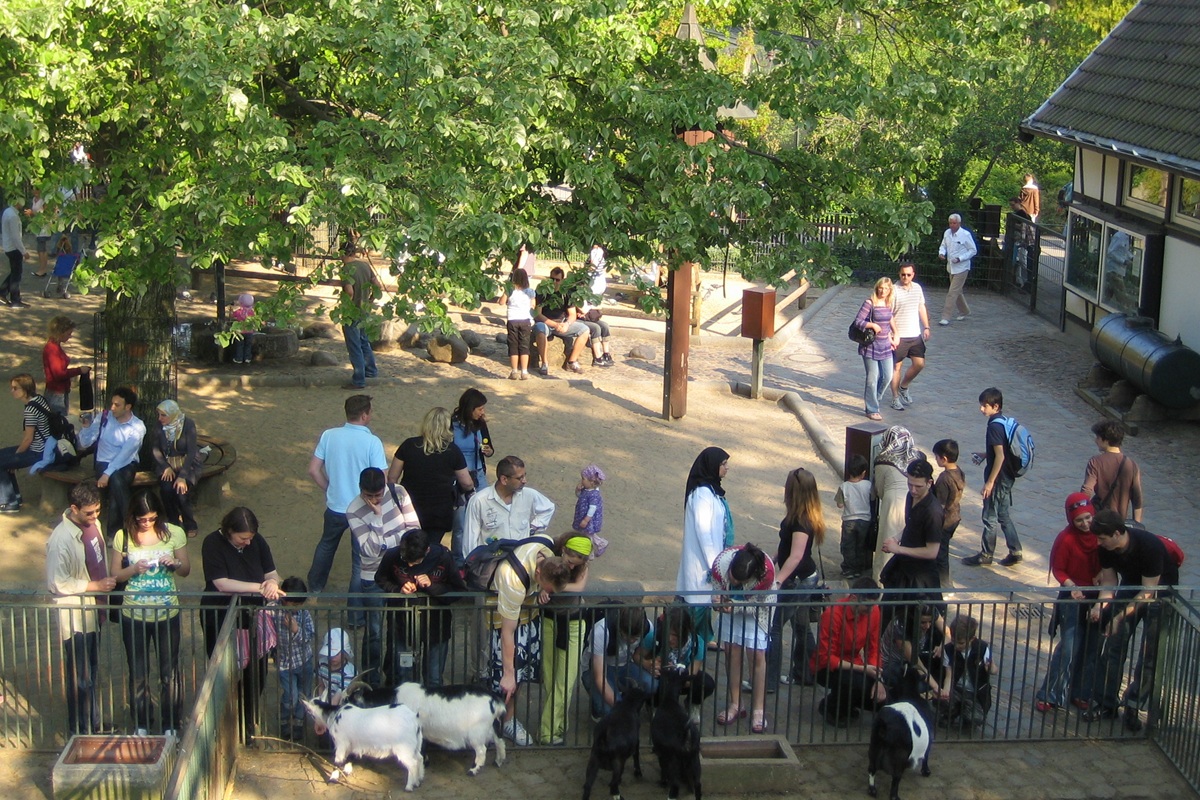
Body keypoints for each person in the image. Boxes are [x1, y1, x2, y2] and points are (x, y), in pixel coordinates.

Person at [1082, 511, 1179, 733]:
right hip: (1131, 587)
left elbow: (1148, 592)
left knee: (1150, 655)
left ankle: (1135, 705)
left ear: (1117, 533)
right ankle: (1106, 704)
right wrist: (1099, 606)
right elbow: (1108, 582)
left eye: (1102, 538)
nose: (1098, 543)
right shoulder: (1105, 548)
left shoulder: (1148, 546)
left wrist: (1118, 616)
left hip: (1159, 593)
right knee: (1114, 646)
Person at [108, 491, 191, 735]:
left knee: (169, 672)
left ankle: (171, 724)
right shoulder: (123, 536)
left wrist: (174, 563)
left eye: (152, 518)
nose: (146, 523)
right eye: (142, 519)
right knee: (138, 672)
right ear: (133, 517)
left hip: (167, 615)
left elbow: (185, 569)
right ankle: (142, 723)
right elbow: (114, 575)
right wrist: (133, 569)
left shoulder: (174, 533)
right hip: (134, 615)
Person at [201, 507, 285, 739]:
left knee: (256, 674)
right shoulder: (212, 543)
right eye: (242, 538)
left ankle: (249, 724)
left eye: (250, 538)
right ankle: (224, 726)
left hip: (253, 617)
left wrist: (270, 583)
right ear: (229, 531)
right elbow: (221, 583)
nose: (248, 542)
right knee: (224, 672)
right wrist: (259, 587)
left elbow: (272, 573)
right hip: (221, 617)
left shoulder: (257, 542)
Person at [305, 394, 387, 620]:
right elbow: (382, 477)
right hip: (362, 509)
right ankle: (354, 615)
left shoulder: (329, 436)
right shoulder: (372, 442)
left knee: (326, 545)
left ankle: (314, 587)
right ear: (364, 414)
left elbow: (313, 470)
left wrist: (329, 488)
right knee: (359, 562)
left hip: (335, 505)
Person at [484, 536, 571, 746]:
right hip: (504, 619)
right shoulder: (512, 578)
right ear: (538, 573)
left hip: (527, 615)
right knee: (504, 678)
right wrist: (508, 673)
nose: (549, 593)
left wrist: (543, 589)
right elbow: (507, 632)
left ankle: (508, 720)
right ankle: (492, 723)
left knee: (521, 673)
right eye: (548, 588)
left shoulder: (548, 554)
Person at [46, 481, 118, 735]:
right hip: (75, 618)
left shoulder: (92, 524)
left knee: (92, 673)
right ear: (74, 509)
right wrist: (94, 585)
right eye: (89, 512)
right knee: (81, 677)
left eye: (98, 511)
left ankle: (93, 724)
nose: (95, 516)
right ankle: (81, 730)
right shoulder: (60, 540)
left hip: (93, 612)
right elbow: (56, 583)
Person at [345, 466, 420, 683]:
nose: (376, 500)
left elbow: (414, 531)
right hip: (372, 578)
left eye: (378, 495)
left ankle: (395, 676)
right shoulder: (353, 510)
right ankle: (371, 679)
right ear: (361, 490)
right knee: (374, 632)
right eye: (370, 496)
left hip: (399, 572)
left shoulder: (398, 493)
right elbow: (367, 550)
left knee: (397, 628)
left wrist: (383, 542)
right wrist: (378, 519)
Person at [1035, 494, 1102, 713]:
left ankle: (1081, 692)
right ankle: (1051, 694)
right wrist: (1071, 585)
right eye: (1079, 520)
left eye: (1088, 518)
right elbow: (1059, 568)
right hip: (1072, 597)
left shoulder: (1101, 536)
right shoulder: (1066, 539)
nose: (1085, 524)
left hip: (1097, 597)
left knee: (1092, 647)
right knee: (1069, 647)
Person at [375, 527, 466, 688]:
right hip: (402, 626)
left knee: (433, 678)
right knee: (404, 677)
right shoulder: (393, 556)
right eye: (407, 561)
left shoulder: (443, 557)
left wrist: (432, 586)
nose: (410, 565)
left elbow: (458, 591)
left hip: (436, 627)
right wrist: (399, 589)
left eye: (416, 562)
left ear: (427, 550)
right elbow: (381, 578)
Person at [767, 467, 825, 692]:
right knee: (801, 627)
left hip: (798, 580)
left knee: (774, 627)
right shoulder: (804, 515)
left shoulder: (801, 521)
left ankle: (768, 681)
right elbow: (788, 549)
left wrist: (778, 580)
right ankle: (807, 673)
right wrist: (773, 559)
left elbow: (797, 555)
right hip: (803, 577)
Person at [712, 543, 776, 733]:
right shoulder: (719, 565)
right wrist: (717, 602)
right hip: (731, 608)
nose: (733, 581)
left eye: (740, 581)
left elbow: (758, 604)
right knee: (732, 651)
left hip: (757, 612)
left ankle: (758, 709)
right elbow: (716, 591)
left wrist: (735, 606)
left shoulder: (766, 574)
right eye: (732, 576)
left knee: (757, 655)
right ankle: (736, 703)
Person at [389, 406, 475, 545]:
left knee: (410, 548)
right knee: (431, 548)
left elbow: (392, 477)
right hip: (439, 511)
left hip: (410, 507)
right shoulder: (453, 451)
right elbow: (466, 482)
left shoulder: (408, 445)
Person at [675, 446, 733, 651]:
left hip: (708, 563)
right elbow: (703, 532)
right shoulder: (701, 495)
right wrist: (715, 565)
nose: (727, 468)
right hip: (701, 565)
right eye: (723, 464)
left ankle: (701, 643)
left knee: (703, 606)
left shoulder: (711, 492)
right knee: (694, 609)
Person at [810, 577, 886, 727]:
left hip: (855, 663)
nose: (870, 611)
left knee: (881, 699)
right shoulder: (833, 614)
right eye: (867, 607)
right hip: (827, 667)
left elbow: (874, 648)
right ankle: (832, 708)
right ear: (853, 598)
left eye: (873, 606)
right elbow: (826, 658)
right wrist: (862, 669)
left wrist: (878, 679)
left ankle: (848, 703)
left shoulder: (874, 611)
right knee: (855, 682)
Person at [538, 534, 592, 745]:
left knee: (566, 680)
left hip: (573, 624)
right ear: (564, 550)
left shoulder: (582, 569)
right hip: (550, 621)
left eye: (578, 559)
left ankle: (547, 732)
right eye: (570, 557)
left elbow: (578, 588)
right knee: (551, 678)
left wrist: (551, 585)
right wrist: (543, 585)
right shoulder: (550, 558)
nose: (572, 563)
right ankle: (559, 724)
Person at [963, 387, 1023, 567]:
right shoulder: (1004, 421)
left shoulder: (994, 427)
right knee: (1003, 514)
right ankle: (1015, 550)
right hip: (1007, 476)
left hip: (998, 478)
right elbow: (1001, 450)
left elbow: (1001, 456)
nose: (982, 409)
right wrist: (984, 454)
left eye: (985, 406)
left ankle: (986, 554)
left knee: (989, 517)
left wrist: (990, 482)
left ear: (995, 406)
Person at [77, 386, 147, 539]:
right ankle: (132, 524)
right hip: (103, 461)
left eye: (117, 405)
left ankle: (114, 533)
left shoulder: (137, 427)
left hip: (127, 464)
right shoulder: (104, 417)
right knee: (117, 481)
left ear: (128, 407)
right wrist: (86, 428)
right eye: (112, 403)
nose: (112, 408)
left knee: (115, 479)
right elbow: (85, 443)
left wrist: (107, 474)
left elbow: (125, 454)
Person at [460, 455, 555, 558]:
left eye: (524, 476)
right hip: (491, 563)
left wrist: (533, 528)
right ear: (504, 479)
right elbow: (470, 540)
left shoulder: (529, 495)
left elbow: (548, 508)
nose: (524, 481)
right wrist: (472, 565)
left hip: (519, 560)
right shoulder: (479, 501)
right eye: (520, 478)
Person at [880, 459, 944, 610]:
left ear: (929, 483)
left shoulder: (933, 512)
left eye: (918, 486)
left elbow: (932, 551)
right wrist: (897, 537)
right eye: (910, 484)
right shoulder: (911, 497)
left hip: (921, 576)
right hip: (904, 569)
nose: (913, 490)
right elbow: (911, 525)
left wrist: (898, 549)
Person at [580, 602, 653, 720]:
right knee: (612, 712)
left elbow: (637, 656)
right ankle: (598, 707)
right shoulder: (602, 631)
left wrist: (647, 664)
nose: (631, 641)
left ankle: (622, 694)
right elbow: (599, 677)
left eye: (636, 638)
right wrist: (622, 708)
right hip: (597, 669)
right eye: (626, 636)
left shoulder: (648, 628)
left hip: (625, 665)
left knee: (651, 684)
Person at [641, 604, 717, 704]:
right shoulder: (655, 636)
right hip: (658, 676)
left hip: (681, 677)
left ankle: (692, 704)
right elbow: (637, 656)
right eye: (667, 633)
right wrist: (648, 664)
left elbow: (691, 673)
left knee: (706, 683)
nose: (669, 638)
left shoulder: (698, 643)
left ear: (686, 631)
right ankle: (654, 705)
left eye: (675, 635)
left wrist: (677, 675)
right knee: (652, 683)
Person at [1, 374, 54, 513]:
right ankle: (15, 497)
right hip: (45, 447)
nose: (12, 391)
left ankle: (9, 502)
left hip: (38, 451)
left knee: (4, 462)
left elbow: (28, 439)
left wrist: (15, 459)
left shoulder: (30, 410)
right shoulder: (40, 399)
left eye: (15, 388)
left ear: (25, 389)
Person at [150, 400, 203, 539]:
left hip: (187, 465)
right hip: (167, 465)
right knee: (166, 489)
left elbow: (191, 452)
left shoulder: (188, 424)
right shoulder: (159, 426)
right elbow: (155, 449)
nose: (160, 418)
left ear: (173, 414)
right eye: (159, 415)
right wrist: (165, 467)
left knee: (181, 491)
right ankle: (173, 522)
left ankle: (190, 523)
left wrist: (182, 476)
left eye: (163, 415)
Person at [871, 426, 918, 582]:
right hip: (913, 501)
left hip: (892, 503)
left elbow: (879, 489)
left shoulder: (883, 459)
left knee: (888, 541)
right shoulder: (916, 457)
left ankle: (882, 581)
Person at [274, 577, 315, 741]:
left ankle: (298, 722)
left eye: (300, 604)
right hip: (285, 663)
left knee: (304, 694)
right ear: (285, 600)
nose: (297, 607)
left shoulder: (303, 614)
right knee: (291, 696)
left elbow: (310, 635)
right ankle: (284, 720)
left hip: (304, 660)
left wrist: (296, 629)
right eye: (294, 604)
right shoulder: (274, 611)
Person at [337, 241, 382, 390]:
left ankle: (358, 380)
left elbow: (349, 291)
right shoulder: (364, 265)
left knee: (354, 345)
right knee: (364, 341)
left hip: (352, 313)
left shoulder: (346, 270)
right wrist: (370, 301)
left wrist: (346, 308)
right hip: (365, 310)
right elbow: (377, 286)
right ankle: (371, 371)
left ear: (343, 253)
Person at [1081, 420, 1143, 526]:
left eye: (1098, 437)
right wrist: (1136, 524)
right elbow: (1137, 499)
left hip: (1099, 518)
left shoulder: (1095, 462)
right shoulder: (1132, 464)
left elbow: (1087, 490)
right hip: (1119, 521)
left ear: (1106, 440)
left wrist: (1081, 515)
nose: (1096, 441)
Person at [942, 615, 999, 728]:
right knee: (943, 701)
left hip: (975, 692)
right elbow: (949, 675)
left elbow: (994, 670)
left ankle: (967, 715)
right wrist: (945, 692)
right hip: (957, 688)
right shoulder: (948, 649)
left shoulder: (982, 648)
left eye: (961, 643)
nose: (957, 645)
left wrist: (990, 667)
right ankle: (951, 713)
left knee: (975, 719)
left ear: (972, 639)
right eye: (954, 641)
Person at [853, 277, 898, 421]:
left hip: (885, 345)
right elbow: (858, 321)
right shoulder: (869, 303)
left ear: (889, 290)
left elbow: (890, 319)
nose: (883, 291)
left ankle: (874, 399)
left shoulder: (888, 303)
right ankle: (871, 408)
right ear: (876, 287)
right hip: (871, 346)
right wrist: (872, 325)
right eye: (881, 288)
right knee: (873, 378)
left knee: (887, 376)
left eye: (886, 288)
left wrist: (894, 334)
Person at [533, 267, 590, 375]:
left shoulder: (566, 293)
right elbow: (538, 314)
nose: (554, 282)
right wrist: (554, 324)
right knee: (540, 329)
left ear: (562, 280)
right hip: (546, 323)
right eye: (552, 279)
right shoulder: (542, 290)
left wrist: (567, 324)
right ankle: (544, 363)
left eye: (557, 280)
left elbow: (572, 314)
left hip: (562, 323)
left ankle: (572, 361)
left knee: (585, 330)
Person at [888, 262, 931, 411]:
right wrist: (893, 334)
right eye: (903, 274)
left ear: (913, 275)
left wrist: (926, 326)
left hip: (914, 334)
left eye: (908, 274)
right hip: (899, 336)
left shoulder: (917, 288)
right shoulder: (893, 290)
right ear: (899, 274)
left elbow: (921, 307)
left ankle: (904, 386)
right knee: (896, 368)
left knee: (919, 364)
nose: (905, 277)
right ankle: (894, 398)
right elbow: (888, 314)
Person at [931, 439, 965, 587]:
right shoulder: (959, 472)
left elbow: (939, 503)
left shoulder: (944, 478)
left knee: (941, 553)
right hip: (955, 516)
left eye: (936, 456)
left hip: (945, 520)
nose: (935, 459)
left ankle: (944, 584)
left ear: (944, 458)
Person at [43, 315, 92, 415]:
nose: (70, 336)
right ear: (60, 333)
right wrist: (79, 370)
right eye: (68, 333)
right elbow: (59, 374)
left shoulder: (55, 346)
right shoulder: (52, 349)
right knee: (58, 421)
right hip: (56, 393)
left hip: (60, 391)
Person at [835, 455, 872, 579]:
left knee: (848, 545)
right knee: (860, 545)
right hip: (865, 520)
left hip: (849, 520)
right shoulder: (868, 485)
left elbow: (840, 504)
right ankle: (858, 569)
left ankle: (848, 569)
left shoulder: (843, 487)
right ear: (863, 473)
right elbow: (873, 497)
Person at [937, 214, 977, 326]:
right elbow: (943, 245)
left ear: (959, 223)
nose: (952, 225)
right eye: (950, 223)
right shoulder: (947, 233)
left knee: (952, 292)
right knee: (957, 291)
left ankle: (946, 316)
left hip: (962, 268)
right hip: (951, 267)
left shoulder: (965, 235)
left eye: (954, 223)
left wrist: (961, 258)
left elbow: (973, 250)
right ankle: (965, 310)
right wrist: (941, 253)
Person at [503, 267, 535, 379]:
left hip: (512, 319)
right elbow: (533, 305)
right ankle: (524, 371)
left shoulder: (510, 290)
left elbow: (501, 302)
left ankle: (514, 371)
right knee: (524, 346)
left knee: (513, 346)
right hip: (525, 320)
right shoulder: (530, 292)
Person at [572, 464, 608, 555]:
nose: (582, 481)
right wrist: (578, 490)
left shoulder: (594, 495)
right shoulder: (586, 489)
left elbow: (592, 508)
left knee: (588, 535)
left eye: (583, 479)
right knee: (588, 534)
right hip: (582, 514)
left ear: (591, 482)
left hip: (589, 519)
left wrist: (586, 520)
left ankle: (589, 553)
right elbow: (579, 496)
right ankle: (602, 543)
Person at [1, 195, 29, 308]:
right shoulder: (13, 216)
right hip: (14, 248)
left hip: (9, 247)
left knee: (14, 272)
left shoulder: (8, 212)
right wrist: (24, 251)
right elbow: (15, 237)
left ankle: (2, 292)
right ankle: (15, 300)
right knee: (16, 275)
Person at [315, 628, 357, 702]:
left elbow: (337, 700)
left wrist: (325, 710)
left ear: (345, 652)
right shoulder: (321, 664)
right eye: (329, 653)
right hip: (327, 703)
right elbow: (320, 685)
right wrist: (321, 701)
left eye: (336, 654)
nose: (332, 657)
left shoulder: (349, 674)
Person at [229, 293, 257, 365]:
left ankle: (239, 359)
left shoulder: (239, 312)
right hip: (249, 332)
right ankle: (247, 358)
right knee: (248, 345)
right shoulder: (252, 312)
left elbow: (231, 316)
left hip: (240, 332)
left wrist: (231, 310)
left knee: (240, 345)